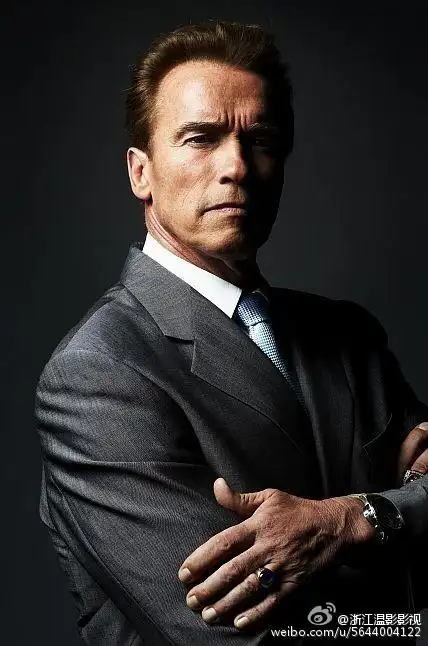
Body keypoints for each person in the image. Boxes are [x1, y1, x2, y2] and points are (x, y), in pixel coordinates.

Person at [35, 21, 428, 645]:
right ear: (141, 173)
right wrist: (404, 616)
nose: (237, 167)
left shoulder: (350, 336)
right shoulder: (97, 373)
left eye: (261, 140)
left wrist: (355, 519)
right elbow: (237, 634)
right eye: (201, 138)